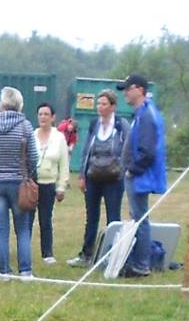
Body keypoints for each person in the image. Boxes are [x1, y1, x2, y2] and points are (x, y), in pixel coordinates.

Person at [0, 86, 40, 278]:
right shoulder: (25, 126)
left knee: (2, 229)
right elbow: (34, 157)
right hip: (18, 183)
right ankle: (25, 271)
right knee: (22, 229)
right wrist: (26, 172)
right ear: (19, 105)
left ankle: (4, 271)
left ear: (2, 104)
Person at [70, 89, 126, 267]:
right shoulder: (94, 124)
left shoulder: (121, 124)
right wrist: (82, 175)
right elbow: (87, 150)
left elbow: (127, 148)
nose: (100, 107)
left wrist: (124, 169)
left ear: (113, 106)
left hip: (114, 178)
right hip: (93, 176)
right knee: (91, 216)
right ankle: (86, 254)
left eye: (104, 104)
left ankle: (112, 255)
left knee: (113, 218)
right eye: (98, 103)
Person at [120, 72, 166, 277]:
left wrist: (132, 169)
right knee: (137, 217)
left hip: (139, 176)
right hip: (137, 174)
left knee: (140, 219)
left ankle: (142, 265)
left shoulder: (147, 116)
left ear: (139, 90)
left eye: (128, 89)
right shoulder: (142, 113)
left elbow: (148, 151)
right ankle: (139, 261)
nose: (125, 94)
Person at [32, 101, 71, 266]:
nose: (43, 117)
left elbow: (64, 164)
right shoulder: (32, 135)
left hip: (48, 184)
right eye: (40, 114)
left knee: (45, 219)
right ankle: (24, 250)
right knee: (26, 219)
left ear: (53, 117)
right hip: (32, 183)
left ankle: (47, 253)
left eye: (46, 114)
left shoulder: (59, 137)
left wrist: (61, 186)